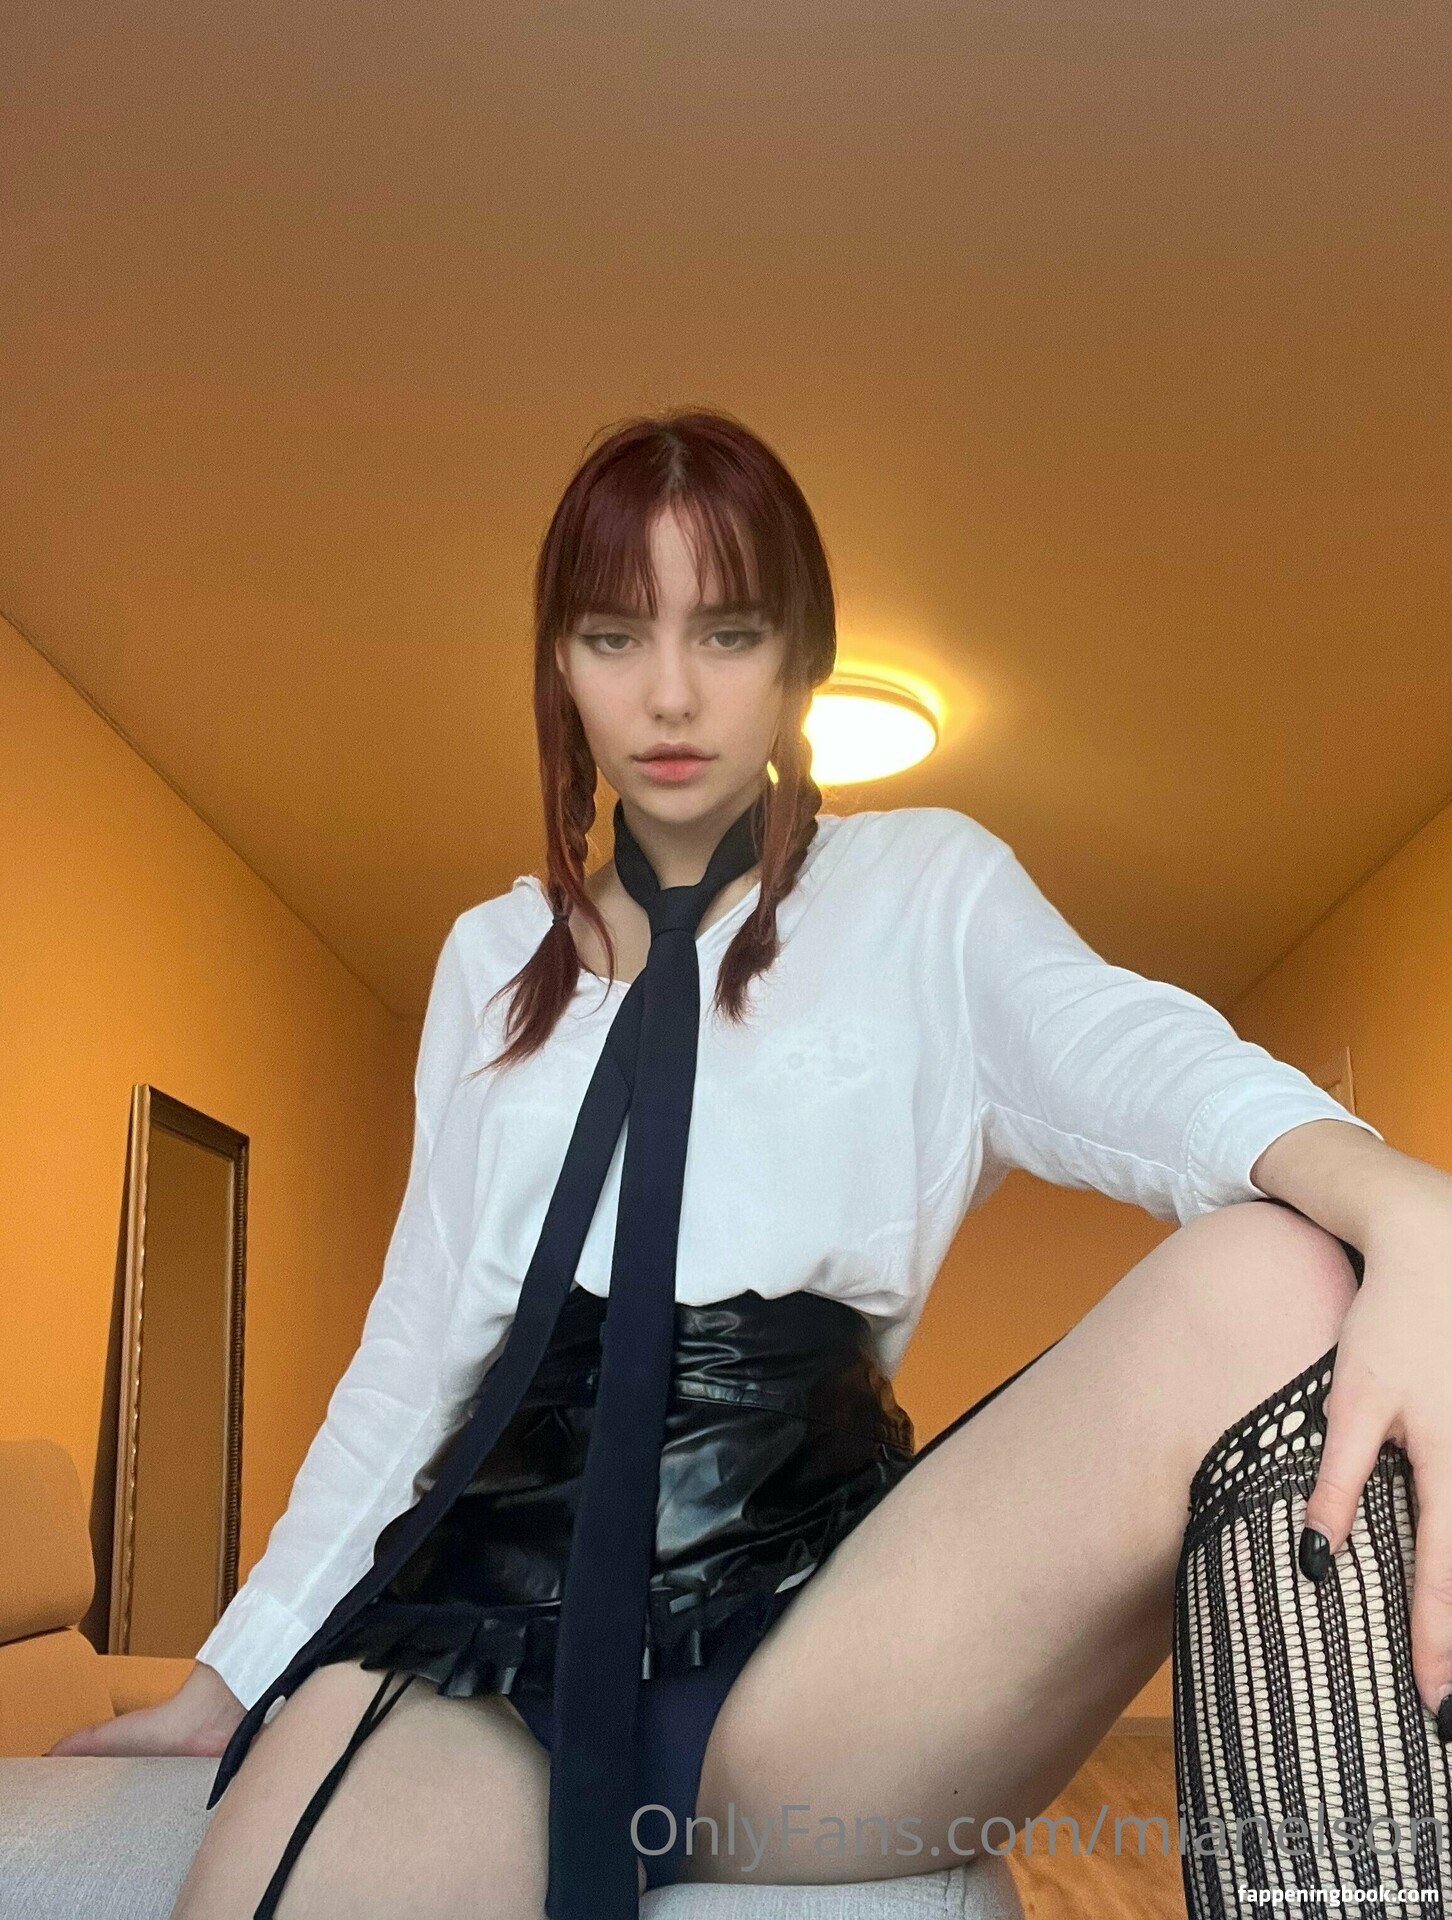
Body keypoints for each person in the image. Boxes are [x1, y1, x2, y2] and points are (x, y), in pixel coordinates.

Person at [55, 408, 1452, 1920]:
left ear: (800, 659)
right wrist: (231, 1673)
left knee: (1278, 1275)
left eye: (727, 633)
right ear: (559, 667)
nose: (671, 694)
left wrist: (1405, 1205)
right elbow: (417, 1350)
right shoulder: (487, 961)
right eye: (614, 637)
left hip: (824, 1635)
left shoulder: (924, 890)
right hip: (484, 1623)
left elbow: (1145, 1063)